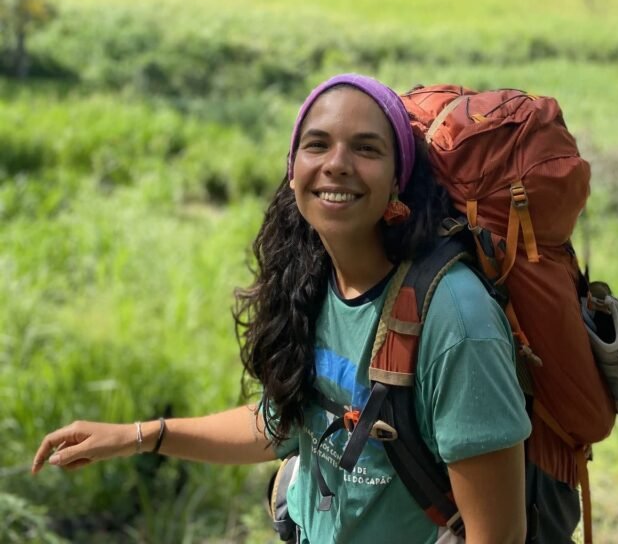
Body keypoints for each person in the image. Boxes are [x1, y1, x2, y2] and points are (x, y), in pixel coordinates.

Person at [32, 73, 531, 544]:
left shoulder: (455, 319)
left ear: (398, 178)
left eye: (366, 148)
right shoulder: (311, 281)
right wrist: (138, 436)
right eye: (317, 144)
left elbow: (499, 535)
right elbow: (279, 425)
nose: (337, 163)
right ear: (293, 172)